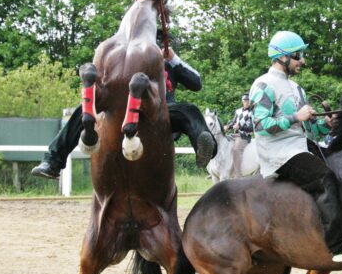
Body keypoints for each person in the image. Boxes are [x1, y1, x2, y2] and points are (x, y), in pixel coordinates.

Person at [249, 30, 342, 263]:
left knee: (341, 166)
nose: (302, 60)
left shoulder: (296, 88)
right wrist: (296, 116)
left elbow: (311, 128)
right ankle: (339, 246)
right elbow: (261, 125)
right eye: (298, 55)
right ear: (282, 57)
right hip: (279, 153)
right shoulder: (262, 84)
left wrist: (326, 125)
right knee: (325, 178)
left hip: (300, 144)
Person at [31, 45, 215, 179]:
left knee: (189, 110)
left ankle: (204, 147)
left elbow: (196, 83)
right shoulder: (127, 57)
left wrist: (173, 58)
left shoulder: (170, 64)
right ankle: (53, 161)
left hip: (161, 111)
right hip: (123, 109)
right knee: (85, 107)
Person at [226, 93, 254, 177]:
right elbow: (233, 122)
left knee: (236, 150)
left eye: (248, 100)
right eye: (245, 100)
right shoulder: (238, 111)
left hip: (244, 136)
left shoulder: (253, 112)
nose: (246, 102)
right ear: (242, 101)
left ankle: (238, 174)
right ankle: (221, 169)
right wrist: (228, 126)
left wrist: (240, 126)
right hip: (235, 135)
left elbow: (252, 127)